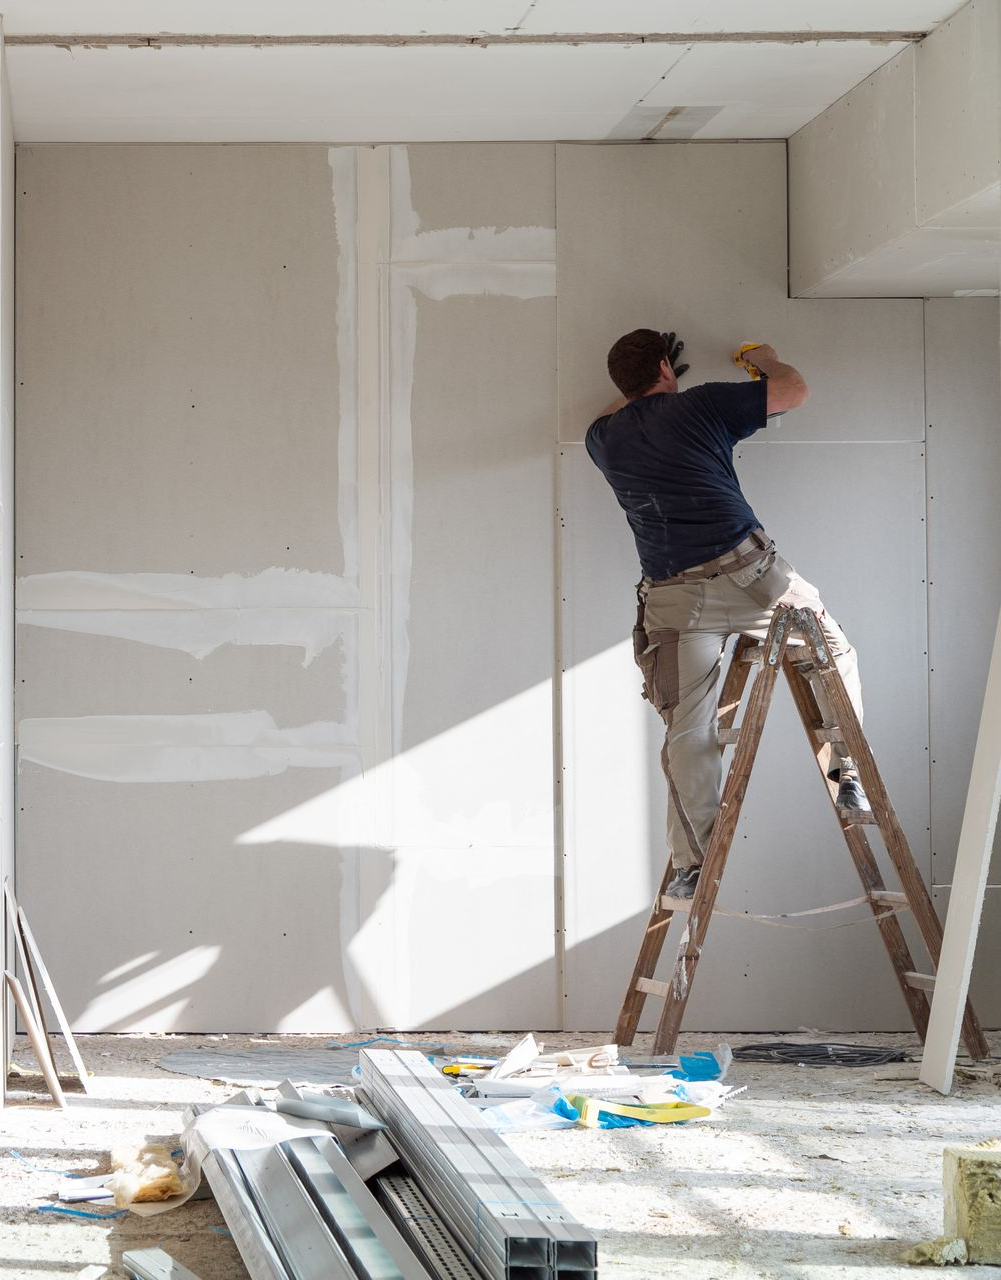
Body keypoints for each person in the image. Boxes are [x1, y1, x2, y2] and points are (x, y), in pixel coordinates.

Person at [585, 329, 868, 899]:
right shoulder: (701, 405)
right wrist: (761, 359)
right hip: (751, 577)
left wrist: (652, 387)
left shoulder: (603, 438)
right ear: (667, 367)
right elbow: (792, 390)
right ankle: (849, 775)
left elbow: (620, 405)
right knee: (833, 650)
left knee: (688, 727)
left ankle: (693, 864)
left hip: (670, 598)